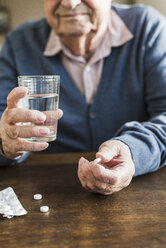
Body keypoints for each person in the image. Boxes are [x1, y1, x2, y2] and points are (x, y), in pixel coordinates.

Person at [0, 0, 166, 195]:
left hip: (143, 194)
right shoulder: (17, 43)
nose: (70, 4)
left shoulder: (147, 27)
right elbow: (4, 122)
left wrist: (132, 150)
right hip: (50, 196)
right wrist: (5, 142)